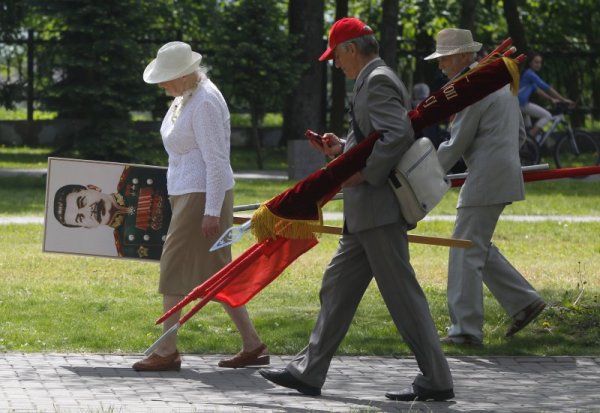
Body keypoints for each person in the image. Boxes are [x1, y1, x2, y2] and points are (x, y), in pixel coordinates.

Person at [259, 17, 454, 402]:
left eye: (336, 56)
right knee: (336, 288)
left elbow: (397, 135)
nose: (336, 64)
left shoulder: (377, 79)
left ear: (351, 49)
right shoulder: (373, 78)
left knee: (403, 298)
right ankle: (309, 372)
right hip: (366, 215)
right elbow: (375, 136)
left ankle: (437, 379)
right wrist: (342, 149)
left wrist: (362, 174)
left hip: (378, 211)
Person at [132, 41, 268, 371]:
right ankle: (253, 345)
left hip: (201, 196)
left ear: (182, 74)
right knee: (219, 275)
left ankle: (166, 350)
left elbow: (217, 161)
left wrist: (211, 210)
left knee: (173, 264)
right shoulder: (186, 97)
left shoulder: (205, 101)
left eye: (166, 77)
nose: (162, 84)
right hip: (188, 193)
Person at [424, 28, 546, 346]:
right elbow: (519, 134)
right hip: (499, 172)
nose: (441, 65)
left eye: (445, 58)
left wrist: (418, 174)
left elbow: (455, 145)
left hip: (486, 178)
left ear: (465, 56)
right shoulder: (498, 81)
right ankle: (524, 301)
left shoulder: (473, 87)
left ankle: (465, 330)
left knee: (463, 250)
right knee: (474, 245)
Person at [53, 165, 170, 260]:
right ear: (89, 227)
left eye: (82, 202)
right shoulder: (127, 251)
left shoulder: (135, 172)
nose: (89, 210)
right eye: (81, 217)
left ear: (93, 188)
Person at [518, 52, 574, 138]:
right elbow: (546, 87)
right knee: (547, 115)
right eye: (536, 62)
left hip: (519, 104)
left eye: (540, 62)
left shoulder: (528, 74)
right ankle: (531, 137)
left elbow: (537, 90)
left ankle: (528, 144)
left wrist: (551, 99)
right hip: (522, 104)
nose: (538, 65)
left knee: (527, 129)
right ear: (530, 63)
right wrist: (563, 100)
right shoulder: (530, 74)